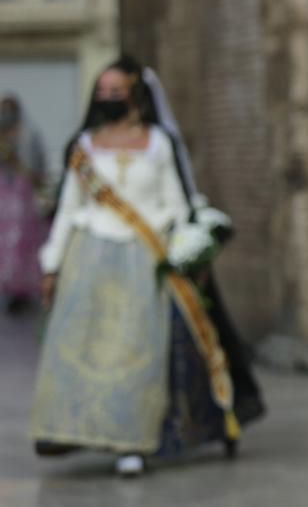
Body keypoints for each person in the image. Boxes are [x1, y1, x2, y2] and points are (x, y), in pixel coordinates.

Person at [31, 56, 264, 476]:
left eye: (115, 92)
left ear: (135, 96)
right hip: (90, 260)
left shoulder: (158, 143)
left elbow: (175, 205)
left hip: (145, 260)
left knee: (137, 351)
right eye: (102, 92)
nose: (108, 99)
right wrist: (51, 265)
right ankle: (87, 430)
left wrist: (188, 249)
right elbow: (69, 209)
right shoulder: (83, 147)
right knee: (89, 353)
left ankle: (133, 442)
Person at [0, 95, 48, 313]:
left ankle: (21, 288)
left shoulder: (29, 137)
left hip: (21, 196)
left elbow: (37, 172)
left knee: (22, 240)